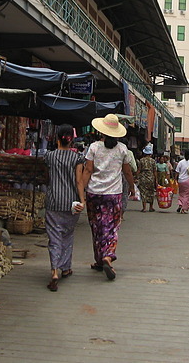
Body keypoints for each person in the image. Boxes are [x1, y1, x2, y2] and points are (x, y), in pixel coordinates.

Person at [79, 114, 135, 281]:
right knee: (111, 227)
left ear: (101, 131)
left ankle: (99, 259)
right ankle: (107, 256)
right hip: (114, 195)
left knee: (96, 226)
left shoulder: (94, 147)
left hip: (94, 193)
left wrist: (81, 190)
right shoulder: (122, 149)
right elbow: (127, 171)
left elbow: (88, 170)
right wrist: (132, 187)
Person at [43, 124, 85, 291]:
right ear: (71, 140)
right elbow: (79, 181)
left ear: (57, 138)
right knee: (67, 235)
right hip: (71, 203)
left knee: (54, 236)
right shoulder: (77, 158)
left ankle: (54, 270)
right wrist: (82, 200)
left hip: (53, 201)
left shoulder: (49, 156)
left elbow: (46, 177)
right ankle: (66, 268)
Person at [137, 144, 158, 212]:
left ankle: (144, 208)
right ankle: (151, 207)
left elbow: (139, 170)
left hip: (143, 178)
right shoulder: (153, 161)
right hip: (151, 178)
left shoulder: (141, 160)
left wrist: (135, 177)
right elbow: (155, 171)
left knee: (143, 192)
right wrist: (156, 180)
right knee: (151, 192)